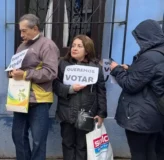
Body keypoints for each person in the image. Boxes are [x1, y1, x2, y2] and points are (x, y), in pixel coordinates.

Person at [110, 19, 164, 160]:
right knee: (151, 152)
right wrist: (132, 68)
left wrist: (116, 70)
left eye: (139, 38)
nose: (137, 42)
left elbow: (130, 84)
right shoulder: (160, 53)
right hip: (155, 113)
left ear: (147, 36)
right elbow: (151, 76)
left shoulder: (149, 57)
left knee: (139, 154)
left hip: (141, 116)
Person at [9, 14, 59, 160]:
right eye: (20, 31)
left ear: (35, 28)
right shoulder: (22, 46)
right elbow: (17, 67)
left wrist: (24, 75)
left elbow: (51, 72)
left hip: (40, 100)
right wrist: (12, 72)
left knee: (38, 141)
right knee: (18, 136)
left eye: (24, 31)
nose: (21, 34)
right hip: (20, 97)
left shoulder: (47, 45)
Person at [53, 35, 107, 160]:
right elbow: (55, 85)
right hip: (66, 112)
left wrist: (102, 113)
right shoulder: (62, 65)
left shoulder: (96, 68)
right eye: (73, 45)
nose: (74, 48)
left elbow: (101, 92)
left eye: (79, 46)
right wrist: (70, 89)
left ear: (87, 50)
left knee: (82, 145)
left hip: (87, 113)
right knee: (67, 144)